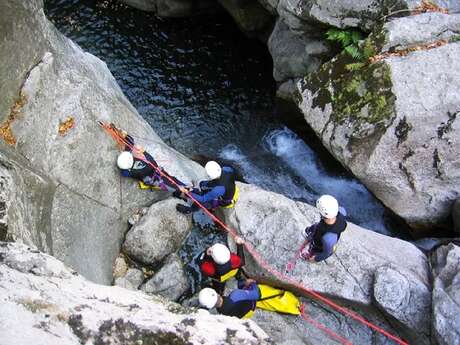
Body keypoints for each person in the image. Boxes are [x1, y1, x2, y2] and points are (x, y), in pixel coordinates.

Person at [115, 129, 187, 193]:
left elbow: (124, 173)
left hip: (153, 173)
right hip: (152, 176)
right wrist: (126, 135)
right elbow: (131, 143)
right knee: (168, 180)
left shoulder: (128, 171)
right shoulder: (135, 161)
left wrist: (125, 135)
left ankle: (182, 189)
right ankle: (182, 189)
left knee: (167, 180)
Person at [198, 279, 300, 319]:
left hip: (244, 315)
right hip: (251, 304)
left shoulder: (220, 312)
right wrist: (251, 283)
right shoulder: (235, 295)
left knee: (241, 285)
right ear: (216, 294)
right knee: (246, 285)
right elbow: (256, 294)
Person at [301, 195, 347, 262]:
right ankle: (309, 231)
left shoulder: (327, 239)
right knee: (317, 227)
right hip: (326, 230)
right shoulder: (342, 211)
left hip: (320, 244)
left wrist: (315, 259)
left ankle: (310, 253)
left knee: (315, 247)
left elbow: (326, 253)